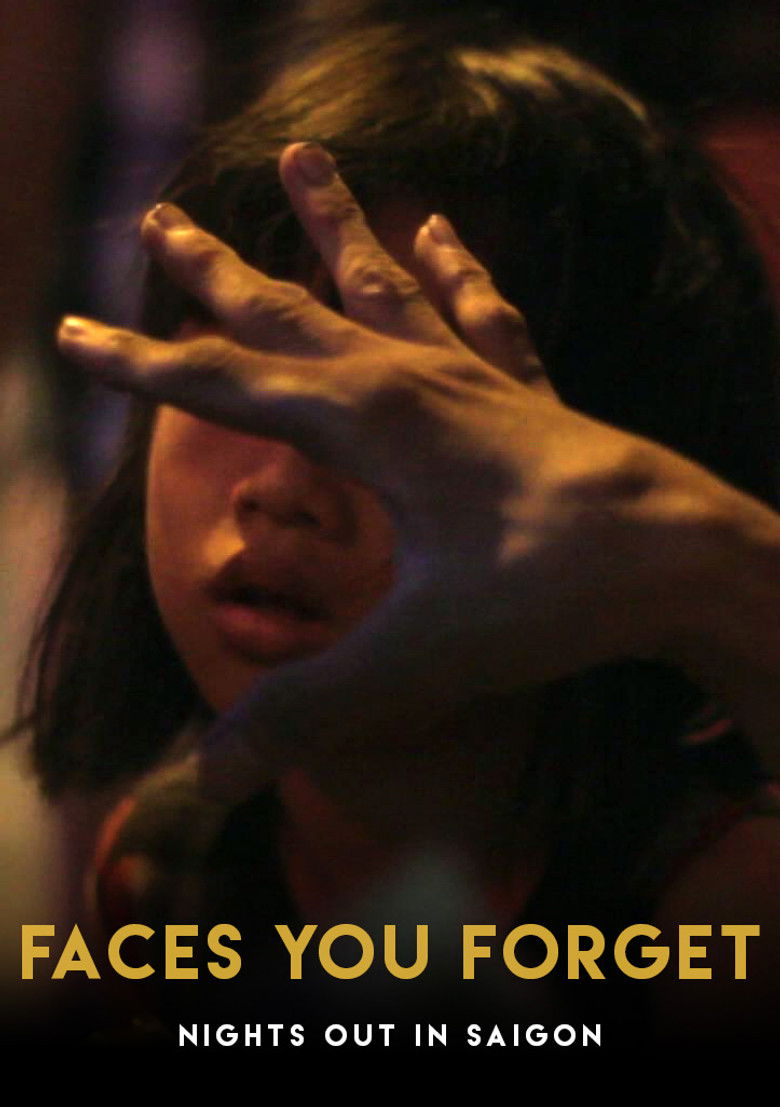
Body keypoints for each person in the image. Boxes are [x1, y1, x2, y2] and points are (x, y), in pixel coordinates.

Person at [23, 18, 780, 1048]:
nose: (284, 489)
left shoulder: (721, 905)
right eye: (238, 369)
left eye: (405, 408)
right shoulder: (168, 866)